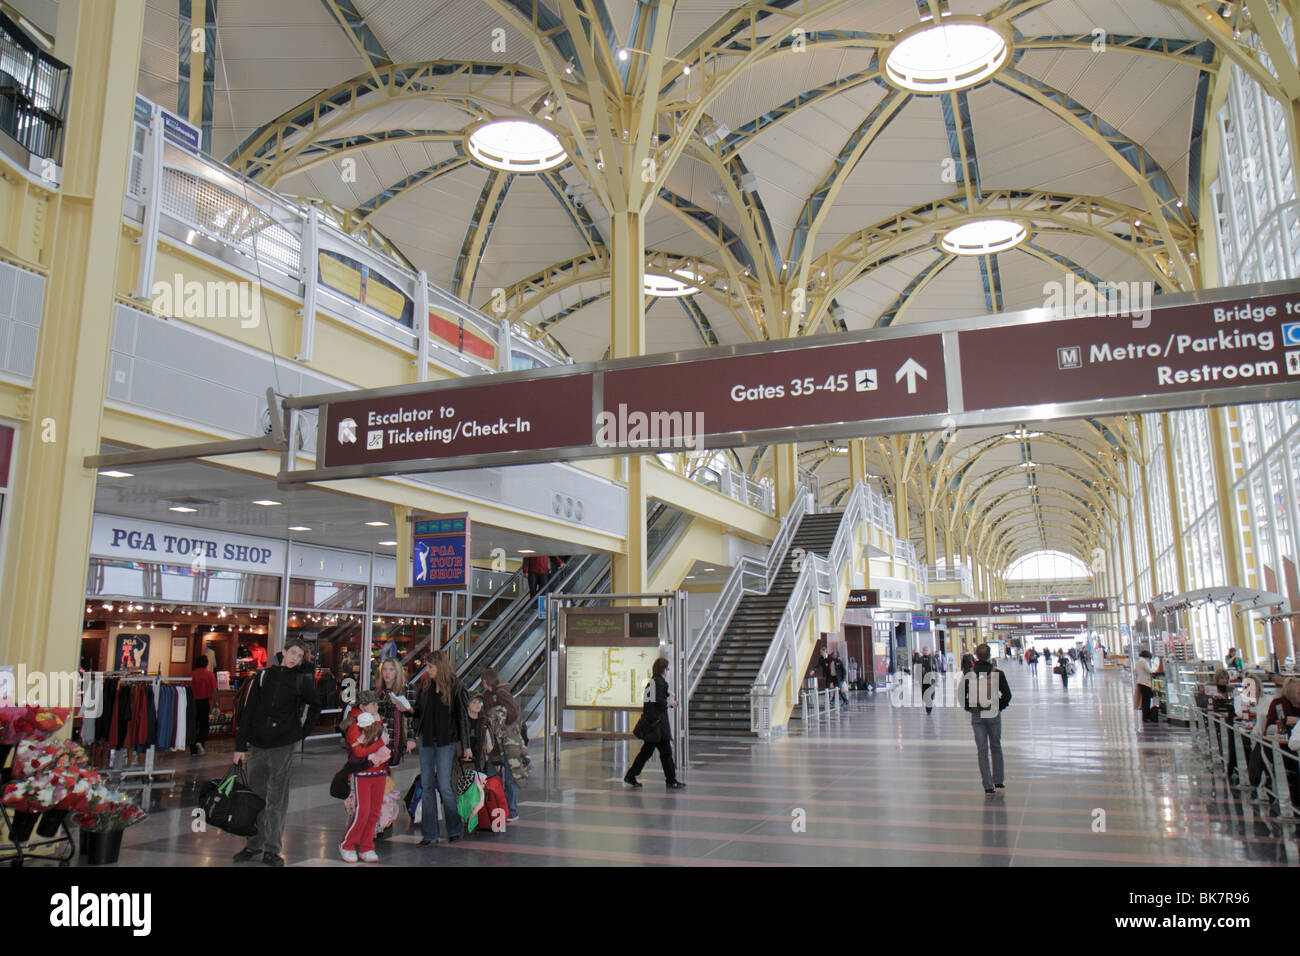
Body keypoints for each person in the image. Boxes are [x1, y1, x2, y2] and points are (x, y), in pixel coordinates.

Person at [232, 639, 321, 866]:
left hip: (282, 744)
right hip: (259, 743)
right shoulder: (263, 676)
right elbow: (248, 710)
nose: (295, 659)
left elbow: (314, 705)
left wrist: (300, 733)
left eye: (299, 656)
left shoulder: (302, 679)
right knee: (255, 795)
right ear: (283, 652)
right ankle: (253, 844)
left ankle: (272, 848)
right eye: (292, 653)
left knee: (277, 799)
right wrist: (240, 746)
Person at [410, 649, 471, 847]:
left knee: (444, 786)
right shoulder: (425, 686)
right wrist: (409, 711)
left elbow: (462, 718)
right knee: (427, 785)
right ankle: (430, 833)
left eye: (431, 667)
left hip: (446, 741)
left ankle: (454, 828)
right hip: (426, 739)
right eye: (427, 666)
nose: (427, 670)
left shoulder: (456, 687)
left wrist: (466, 746)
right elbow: (418, 712)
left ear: (440, 666)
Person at [338, 691, 391, 863]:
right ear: (362, 707)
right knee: (363, 810)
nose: (376, 707)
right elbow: (359, 751)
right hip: (362, 773)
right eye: (373, 704)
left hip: (379, 771)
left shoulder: (379, 722)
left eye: (377, 704)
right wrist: (381, 743)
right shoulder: (355, 726)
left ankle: (367, 846)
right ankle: (347, 844)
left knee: (374, 811)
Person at [624, 657, 684, 789]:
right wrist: (671, 703)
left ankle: (631, 775)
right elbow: (660, 703)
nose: (667, 671)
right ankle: (671, 780)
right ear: (663, 669)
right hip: (659, 726)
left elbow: (649, 703)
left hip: (651, 724)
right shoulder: (660, 683)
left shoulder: (651, 682)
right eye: (667, 669)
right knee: (666, 753)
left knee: (646, 753)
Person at [962, 643, 1012, 794]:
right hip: (993, 714)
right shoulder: (997, 672)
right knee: (996, 746)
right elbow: (1007, 695)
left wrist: (970, 708)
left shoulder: (969, 673)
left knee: (982, 750)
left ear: (976, 655)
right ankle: (998, 780)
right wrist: (999, 706)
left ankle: (988, 785)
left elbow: (962, 695)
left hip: (977, 715)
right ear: (989, 655)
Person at [481, 667, 524, 820]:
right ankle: (501, 808)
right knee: (501, 775)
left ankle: (509, 809)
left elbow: (513, 713)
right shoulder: (492, 696)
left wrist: (502, 724)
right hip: (500, 742)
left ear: (485, 682)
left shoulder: (500, 694)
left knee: (504, 775)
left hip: (505, 741)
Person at [373, 658, 412, 769]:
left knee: (390, 770)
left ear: (397, 672)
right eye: (384, 670)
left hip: (396, 737)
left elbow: (411, 716)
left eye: (391, 669)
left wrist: (411, 738)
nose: (387, 673)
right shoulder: (378, 691)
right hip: (379, 736)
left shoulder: (406, 688)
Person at [189, 655, 216, 756]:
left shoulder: (191, 674)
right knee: (204, 724)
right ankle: (200, 741)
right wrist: (215, 702)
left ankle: (193, 750)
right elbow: (214, 690)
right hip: (204, 702)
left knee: (193, 725)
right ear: (206, 663)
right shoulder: (210, 675)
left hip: (192, 702)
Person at [1133, 650, 1157, 725]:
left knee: (1144, 699)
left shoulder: (1137, 662)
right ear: (1147, 657)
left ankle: (1145, 716)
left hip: (1140, 682)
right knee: (1147, 699)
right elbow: (1149, 670)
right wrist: (1154, 671)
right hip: (1145, 682)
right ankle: (1146, 716)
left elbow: (1135, 671)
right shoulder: (1144, 662)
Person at [919, 648, 937, 715]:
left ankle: (929, 708)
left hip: (931, 679)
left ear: (929, 651)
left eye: (927, 650)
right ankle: (928, 704)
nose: (925, 652)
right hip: (923, 679)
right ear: (922, 651)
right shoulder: (920, 659)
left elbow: (936, 668)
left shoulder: (932, 659)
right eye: (924, 650)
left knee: (931, 693)